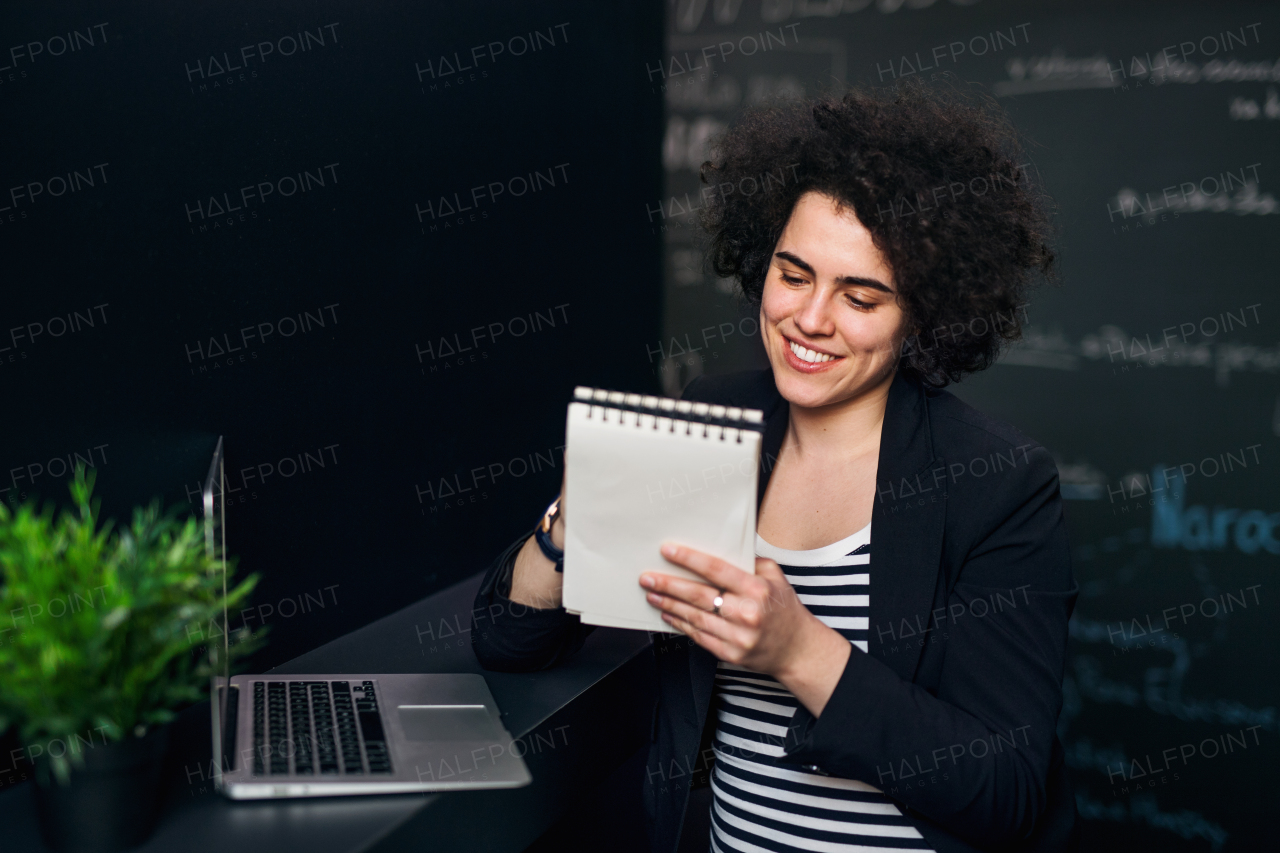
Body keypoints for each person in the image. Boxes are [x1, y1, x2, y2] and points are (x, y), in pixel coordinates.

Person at [471, 80, 1078, 853]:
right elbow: (507, 639)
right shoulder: (716, 420)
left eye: (860, 297)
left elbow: (1008, 792)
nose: (810, 319)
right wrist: (566, 531)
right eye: (793, 275)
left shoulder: (999, 483)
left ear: (922, 312)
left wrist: (797, 650)